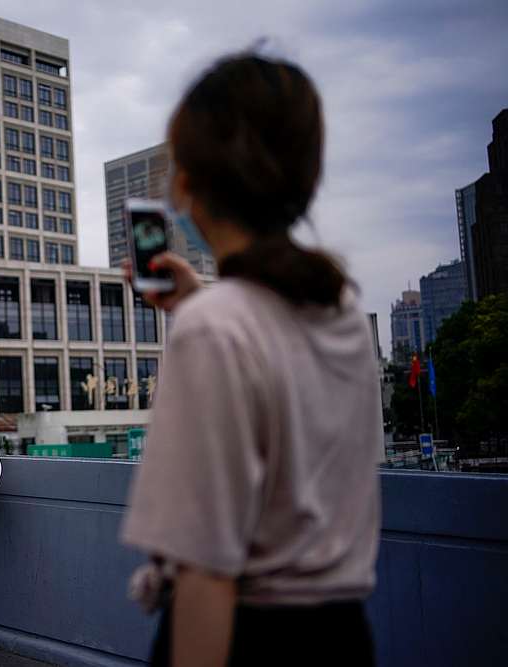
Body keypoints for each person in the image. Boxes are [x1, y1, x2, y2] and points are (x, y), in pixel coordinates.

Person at [121, 53, 382, 666]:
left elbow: (207, 568)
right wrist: (200, 302)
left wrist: (204, 312)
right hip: (343, 638)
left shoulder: (215, 329)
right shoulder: (338, 304)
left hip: (249, 639)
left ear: (186, 184)